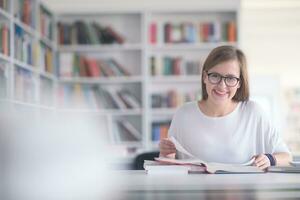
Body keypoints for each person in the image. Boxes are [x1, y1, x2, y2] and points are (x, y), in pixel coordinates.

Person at [159, 45, 292, 170]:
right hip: (195, 194)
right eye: (215, 76)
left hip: (243, 193)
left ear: (239, 83)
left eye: (230, 78)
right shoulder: (184, 114)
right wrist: (167, 155)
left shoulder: (253, 113)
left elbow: (286, 157)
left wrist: (270, 159)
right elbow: (170, 164)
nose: (222, 86)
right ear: (205, 77)